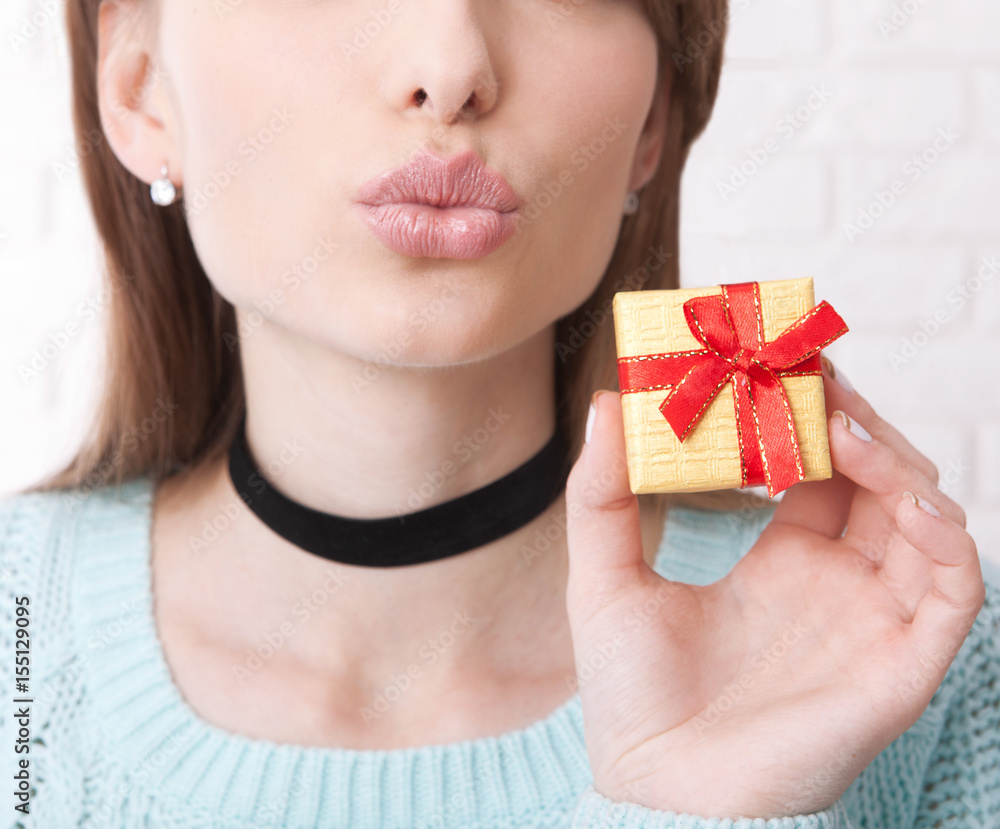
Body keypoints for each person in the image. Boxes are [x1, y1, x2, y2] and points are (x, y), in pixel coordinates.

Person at [2, 0, 998, 825]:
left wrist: (695, 801)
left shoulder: (902, 656)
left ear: (652, 121)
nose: (450, 65)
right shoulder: (19, 641)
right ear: (136, 90)